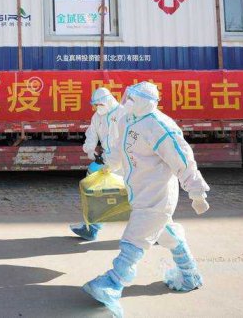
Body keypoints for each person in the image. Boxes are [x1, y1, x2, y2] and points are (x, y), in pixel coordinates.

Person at [82, 82, 210, 318]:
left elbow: (182, 159)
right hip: (138, 190)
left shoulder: (160, 126)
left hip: (158, 194)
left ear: (147, 102)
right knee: (166, 233)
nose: (127, 102)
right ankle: (189, 274)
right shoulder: (127, 120)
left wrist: (196, 191)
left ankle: (112, 283)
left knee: (134, 239)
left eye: (133, 98)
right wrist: (106, 165)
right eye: (128, 97)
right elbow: (119, 151)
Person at [69, 87, 125, 241]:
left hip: (126, 162)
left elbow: (126, 140)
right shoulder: (97, 117)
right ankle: (92, 228)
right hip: (108, 161)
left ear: (109, 100)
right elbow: (91, 135)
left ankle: (162, 231)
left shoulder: (123, 113)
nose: (98, 107)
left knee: (142, 198)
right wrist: (91, 150)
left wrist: (113, 160)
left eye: (101, 104)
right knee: (100, 194)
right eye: (96, 105)